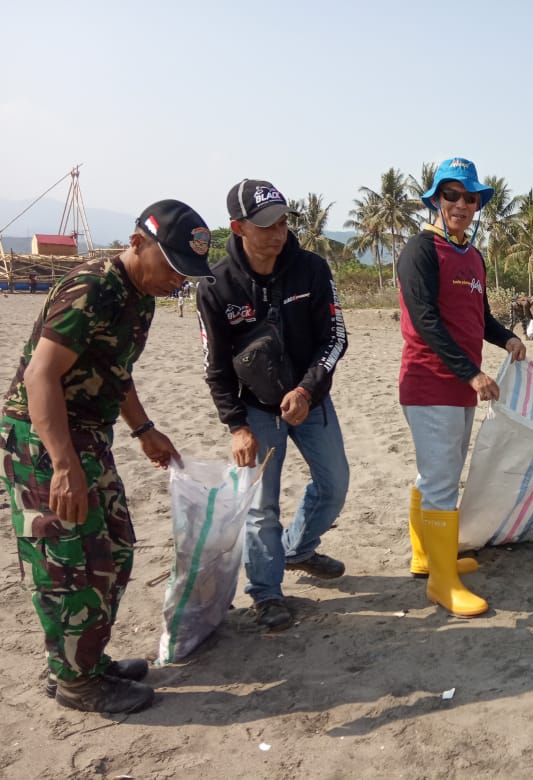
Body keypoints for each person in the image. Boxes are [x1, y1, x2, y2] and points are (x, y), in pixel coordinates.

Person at [0, 200, 212, 713]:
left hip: (89, 435)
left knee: (114, 552)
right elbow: (40, 376)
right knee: (71, 564)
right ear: (137, 242)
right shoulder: (93, 287)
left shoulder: (140, 296)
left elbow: (114, 369)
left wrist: (143, 428)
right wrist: (65, 465)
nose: (177, 282)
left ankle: (84, 662)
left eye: (187, 274)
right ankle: (77, 682)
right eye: (173, 268)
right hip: (43, 439)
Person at [196, 179, 349, 633]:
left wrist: (306, 390)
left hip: (310, 396)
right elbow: (215, 366)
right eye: (265, 225)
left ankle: (299, 547)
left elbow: (337, 338)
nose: (278, 232)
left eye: (283, 222)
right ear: (238, 227)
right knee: (262, 507)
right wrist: (236, 426)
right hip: (255, 409)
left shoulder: (313, 269)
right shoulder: (216, 286)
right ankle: (266, 593)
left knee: (335, 483)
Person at [399, 157, 526, 618]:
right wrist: (471, 372)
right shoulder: (420, 251)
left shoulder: (472, 255)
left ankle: (426, 556)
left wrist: (506, 336)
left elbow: (479, 316)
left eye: (469, 197)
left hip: (459, 385)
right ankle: (442, 581)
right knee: (442, 481)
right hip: (430, 381)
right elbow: (425, 320)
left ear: (478, 205)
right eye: (450, 194)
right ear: (435, 199)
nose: (460, 204)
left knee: (438, 472)